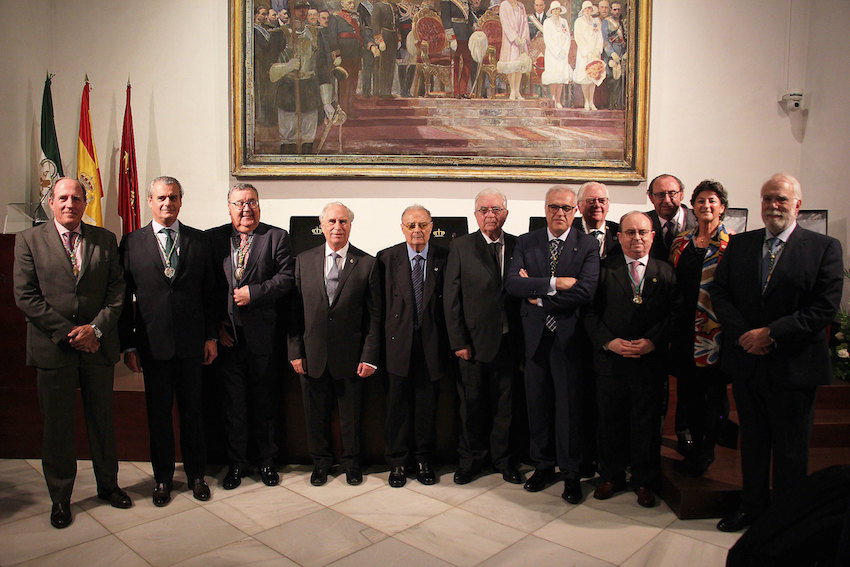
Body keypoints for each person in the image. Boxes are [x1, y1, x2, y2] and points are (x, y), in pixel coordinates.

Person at [711, 173, 843, 532]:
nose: (773, 206)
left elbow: (824, 308)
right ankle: (751, 507)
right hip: (748, 362)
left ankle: (786, 520)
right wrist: (746, 336)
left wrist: (773, 334)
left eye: (781, 199)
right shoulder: (741, 245)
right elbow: (720, 294)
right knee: (752, 443)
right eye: (768, 198)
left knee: (790, 450)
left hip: (795, 366)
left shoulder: (824, 248)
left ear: (797, 204)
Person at [13, 178, 130, 529]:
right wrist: (70, 334)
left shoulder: (105, 239)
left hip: (97, 346)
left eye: (76, 198)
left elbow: (117, 292)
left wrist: (94, 330)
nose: (69, 204)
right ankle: (61, 498)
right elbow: (26, 296)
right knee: (58, 427)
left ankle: (108, 485)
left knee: (102, 423)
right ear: (51, 203)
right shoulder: (29, 240)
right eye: (62, 198)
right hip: (53, 351)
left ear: (84, 203)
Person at [119, 176, 218, 507]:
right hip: (152, 346)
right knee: (158, 416)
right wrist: (129, 345)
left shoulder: (199, 241)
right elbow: (123, 299)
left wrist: (211, 336)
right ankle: (162, 478)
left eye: (173, 198)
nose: (167, 204)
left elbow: (210, 295)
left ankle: (196, 476)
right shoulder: (131, 243)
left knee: (194, 413)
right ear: (149, 201)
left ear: (181, 201)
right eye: (161, 198)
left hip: (192, 346)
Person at [504, 186, 599, 504]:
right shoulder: (526, 241)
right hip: (534, 341)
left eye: (567, 208)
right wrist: (555, 284)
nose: (560, 213)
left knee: (569, 409)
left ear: (576, 211)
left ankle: (571, 474)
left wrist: (539, 299)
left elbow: (585, 291)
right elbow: (513, 284)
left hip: (570, 341)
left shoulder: (587, 244)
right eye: (554, 207)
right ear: (545, 209)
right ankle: (543, 466)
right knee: (538, 406)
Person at [584, 211, 679, 508]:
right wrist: (609, 342)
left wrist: (653, 342)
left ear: (652, 236)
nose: (637, 238)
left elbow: (675, 314)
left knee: (646, 423)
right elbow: (588, 314)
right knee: (609, 421)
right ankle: (611, 476)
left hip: (648, 363)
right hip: (611, 362)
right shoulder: (601, 270)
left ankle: (644, 480)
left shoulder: (666, 272)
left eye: (643, 232)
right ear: (619, 236)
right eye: (630, 232)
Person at [207, 183, 295, 490]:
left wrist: (254, 293)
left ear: (259, 205)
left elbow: (286, 278)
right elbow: (206, 288)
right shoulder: (213, 239)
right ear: (229, 207)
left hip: (263, 339)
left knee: (265, 404)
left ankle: (268, 462)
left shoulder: (276, 237)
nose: (246, 209)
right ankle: (236, 465)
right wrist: (216, 326)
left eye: (252, 202)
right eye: (239, 203)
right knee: (234, 407)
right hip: (228, 340)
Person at [288, 202, 381, 486]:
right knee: (315, 416)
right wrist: (295, 352)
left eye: (343, 221)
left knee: (351, 417)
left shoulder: (367, 263)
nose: (337, 227)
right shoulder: (303, 260)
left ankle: (352, 464)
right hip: (312, 355)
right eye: (332, 221)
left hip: (351, 358)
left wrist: (369, 356)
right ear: (322, 226)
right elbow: (294, 312)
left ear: (350, 225)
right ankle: (321, 464)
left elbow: (374, 317)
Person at [444, 190, 523, 485]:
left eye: (496, 209)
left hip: (510, 342)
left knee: (506, 406)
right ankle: (471, 461)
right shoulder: (461, 247)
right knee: (471, 407)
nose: (490, 214)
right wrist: (457, 341)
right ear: (475, 214)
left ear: (506, 213)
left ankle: (504, 460)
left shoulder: (519, 245)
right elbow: (451, 298)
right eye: (484, 209)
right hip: (473, 345)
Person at [377, 205, 450, 487]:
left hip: (432, 345)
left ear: (432, 226)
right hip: (397, 346)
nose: (417, 230)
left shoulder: (445, 256)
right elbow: (379, 308)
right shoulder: (386, 258)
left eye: (422, 225)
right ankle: (396, 463)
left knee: (426, 408)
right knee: (396, 408)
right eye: (411, 225)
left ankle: (423, 460)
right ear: (402, 228)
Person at [668, 180, 732, 478]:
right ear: (692, 206)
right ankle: (691, 442)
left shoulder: (733, 245)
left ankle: (708, 446)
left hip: (714, 332)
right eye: (701, 201)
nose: (706, 206)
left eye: (712, 201)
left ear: (722, 206)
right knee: (688, 390)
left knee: (713, 393)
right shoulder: (681, 243)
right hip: (683, 330)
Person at [270, 0, 334, 154]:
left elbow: (323, 68)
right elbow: (269, 71)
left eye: (305, 8)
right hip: (287, 89)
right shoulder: (278, 35)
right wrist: (286, 67)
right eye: (298, 8)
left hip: (309, 89)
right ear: (290, 10)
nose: (302, 12)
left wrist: (327, 102)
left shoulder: (317, 34)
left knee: (308, 135)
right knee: (288, 135)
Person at [327, 0, 379, 117]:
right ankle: (343, 111)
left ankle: (350, 110)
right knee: (344, 84)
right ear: (342, 3)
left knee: (353, 84)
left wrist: (371, 46)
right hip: (343, 55)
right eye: (349, 2)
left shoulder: (357, 18)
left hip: (356, 54)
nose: (351, 5)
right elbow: (332, 37)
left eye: (352, 3)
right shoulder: (335, 17)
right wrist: (337, 54)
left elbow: (363, 36)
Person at [645, 173, 697, 261]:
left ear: (681, 194)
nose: (667, 200)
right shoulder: (643, 222)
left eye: (672, 193)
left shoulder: (699, 221)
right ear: (651, 197)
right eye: (660, 195)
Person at [573, 181, 620, 259]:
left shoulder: (618, 231)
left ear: (608, 205)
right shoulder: (569, 231)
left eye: (602, 201)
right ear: (579, 206)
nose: (597, 205)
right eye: (591, 201)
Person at [572, 0, 604, 110]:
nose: (587, 11)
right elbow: (578, 38)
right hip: (584, 54)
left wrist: (597, 50)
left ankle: (592, 101)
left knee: (594, 76)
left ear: (592, 10)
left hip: (595, 53)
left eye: (589, 8)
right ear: (583, 10)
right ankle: (586, 101)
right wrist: (587, 51)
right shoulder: (579, 22)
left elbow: (599, 36)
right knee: (585, 77)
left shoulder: (596, 21)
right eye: (585, 9)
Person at [497, 0, 531, 100]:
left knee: (519, 65)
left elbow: (525, 23)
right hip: (510, 41)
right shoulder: (504, 5)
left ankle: (517, 90)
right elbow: (505, 23)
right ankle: (512, 90)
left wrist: (524, 37)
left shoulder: (521, 6)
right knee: (511, 65)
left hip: (521, 40)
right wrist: (515, 37)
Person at [441, 0, 476, 98]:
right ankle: (456, 91)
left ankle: (463, 90)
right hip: (455, 35)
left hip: (466, 34)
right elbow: (445, 18)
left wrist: (475, 28)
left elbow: (469, 17)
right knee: (455, 63)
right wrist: (451, 37)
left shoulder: (466, 1)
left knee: (468, 61)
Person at [540, 1, 571, 109]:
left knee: (561, 76)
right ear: (551, 11)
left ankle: (558, 99)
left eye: (558, 9)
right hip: (552, 54)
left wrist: (564, 50)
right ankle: (553, 97)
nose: (556, 11)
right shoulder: (547, 22)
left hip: (563, 54)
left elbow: (568, 37)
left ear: (560, 10)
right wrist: (557, 51)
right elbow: (548, 39)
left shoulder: (564, 22)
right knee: (553, 76)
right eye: (554, 9)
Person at [371, 0, 400, 98]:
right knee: (381, 64)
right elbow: (375, 24)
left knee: (390, 64)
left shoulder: (394, 6)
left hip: (393, 37)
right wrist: (379, 40)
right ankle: (379, 91)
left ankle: (387, 91)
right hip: (384, 35)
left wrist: (399, 39)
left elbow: (397, 24)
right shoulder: (378, 6)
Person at [602, 0, 626, 109]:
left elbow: (625, 39)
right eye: (615, 9)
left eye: (619, 10)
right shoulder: (606, 22)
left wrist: (625, 53)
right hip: (611, 55)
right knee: (611, 79)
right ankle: (610, 104)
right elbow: (605, 40)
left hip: (621, 54)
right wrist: (611, 54)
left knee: (620, 80)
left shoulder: (623, 22)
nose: (617, 12)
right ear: (611, 10)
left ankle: (618, 103)